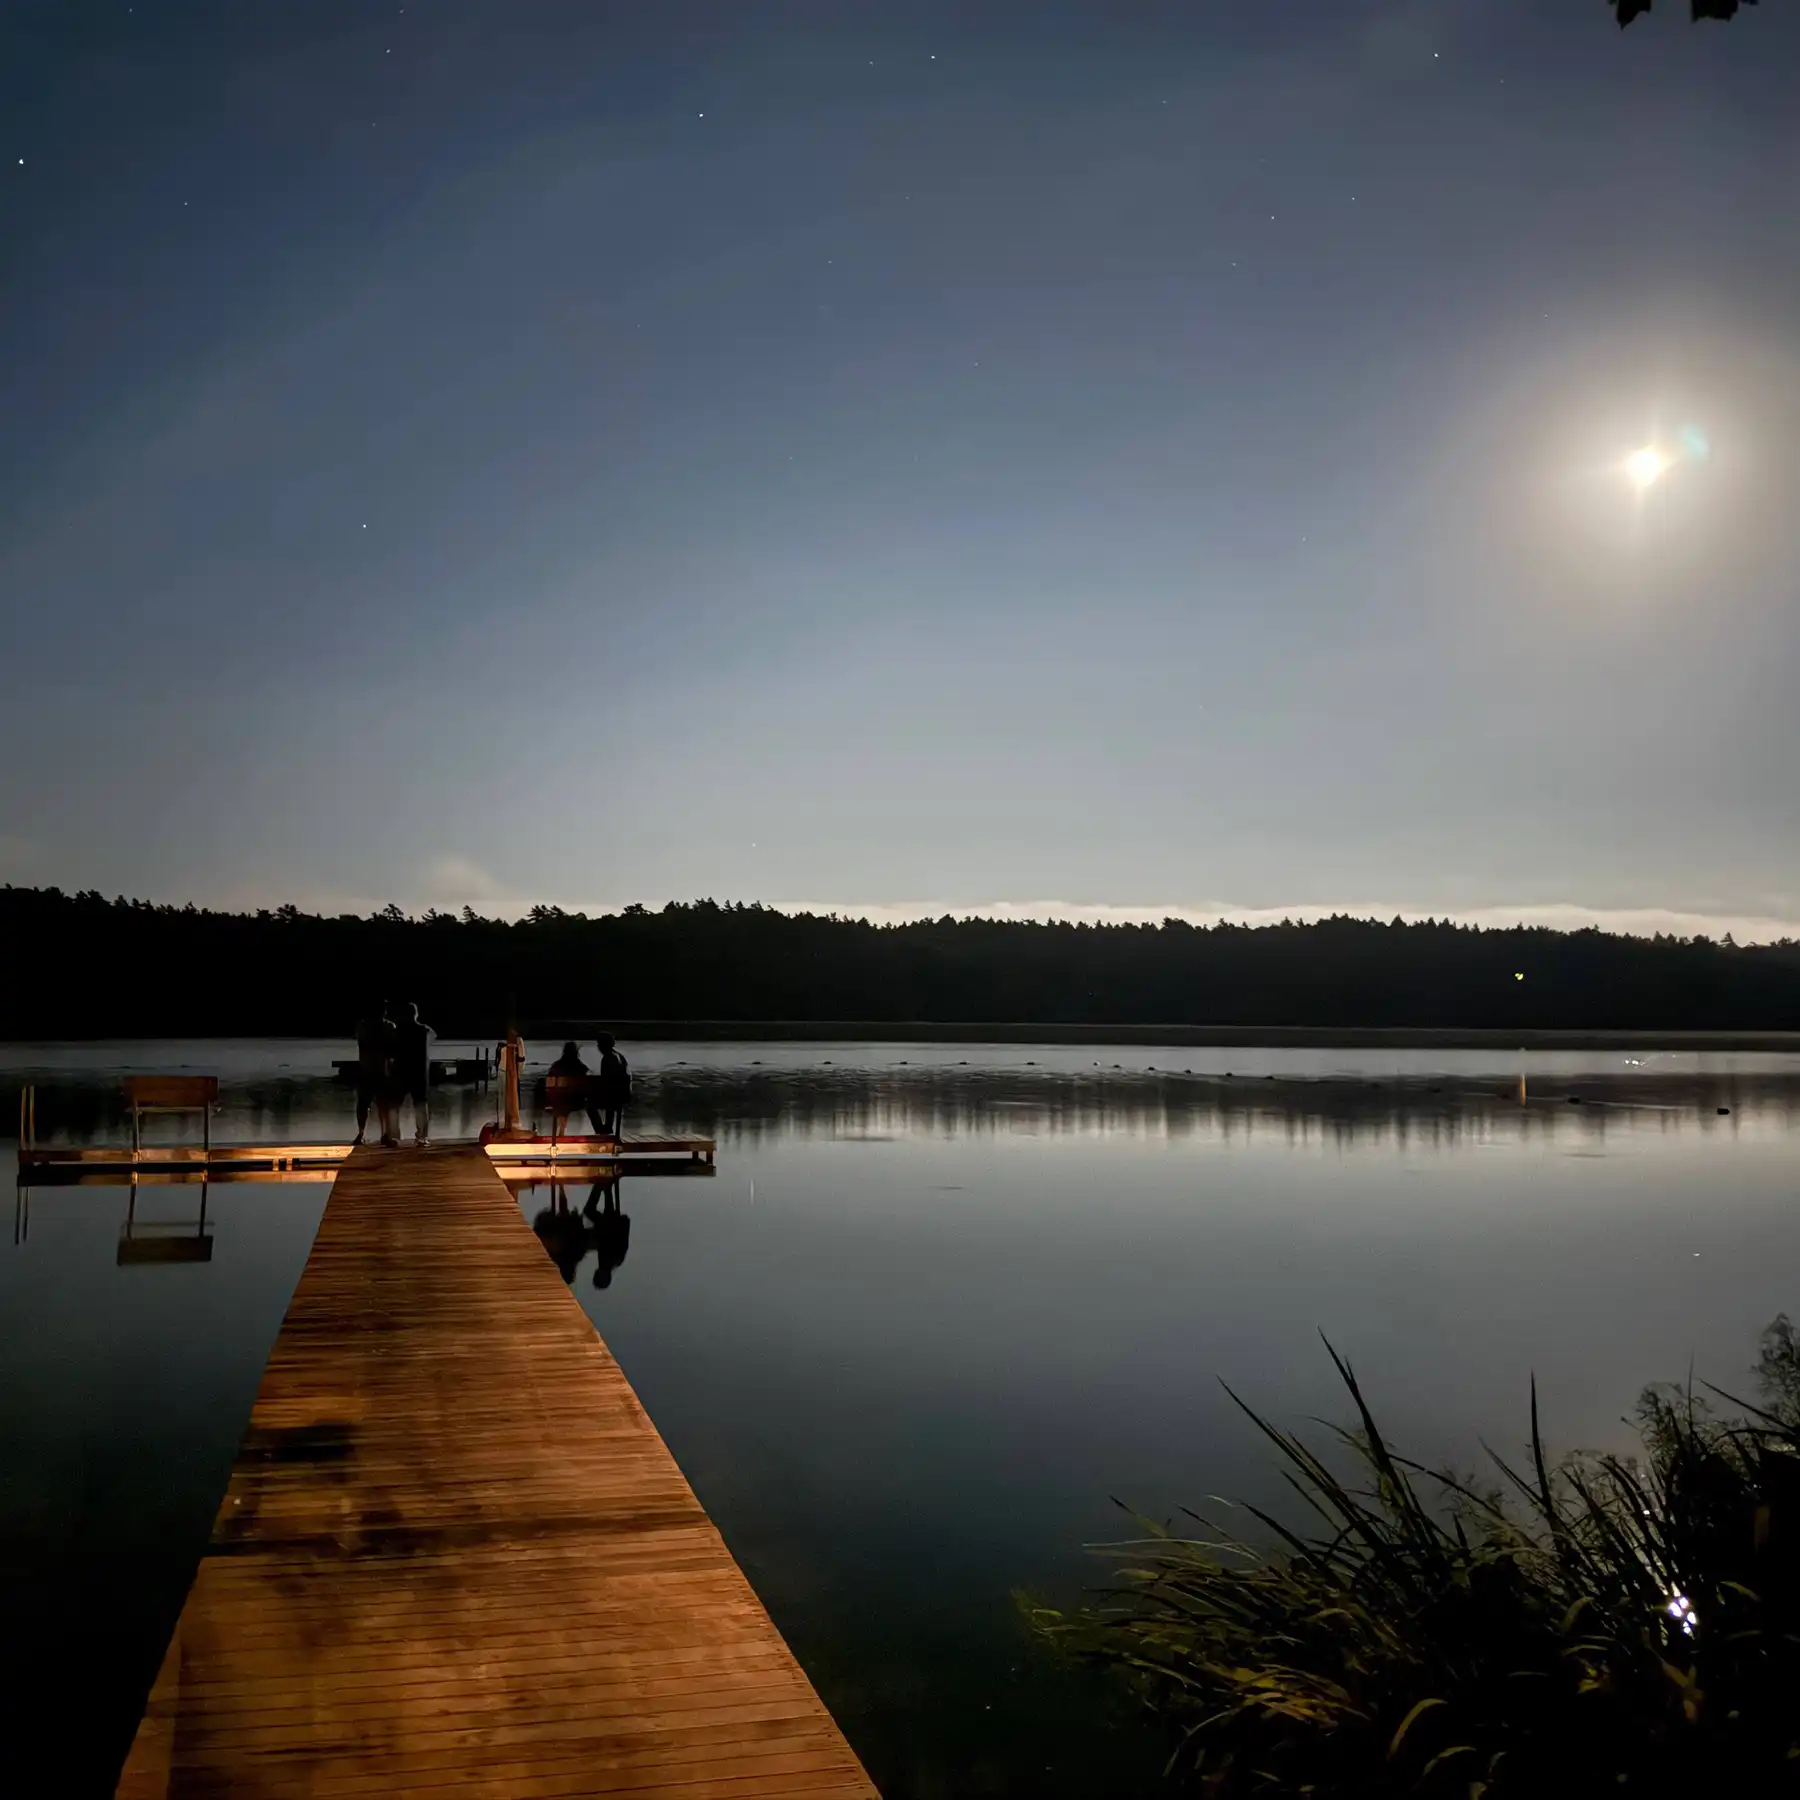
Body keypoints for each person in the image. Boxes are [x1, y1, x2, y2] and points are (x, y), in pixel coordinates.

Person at [395, 1000, 434, 1146]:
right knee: (421, 1105)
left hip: (402, 1070)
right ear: (416, 1014)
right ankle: (422, 1136)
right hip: (419, 1072)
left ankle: (395, 1136)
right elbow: (433, 1036)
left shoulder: (398, 1031)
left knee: (395, 1104)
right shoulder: (424, 1030)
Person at [350, 1003, 390, 1146]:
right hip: (381, 1070)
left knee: (363, 1105)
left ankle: (361, 1134)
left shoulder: (363, 1026)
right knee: (383, 1104)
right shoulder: (388, 1027)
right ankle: (384, 1134)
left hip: (366, 1069)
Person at [594, 1033, 631, 1139]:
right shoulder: (619, 1056)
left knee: (590, 1105)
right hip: (623, 1094)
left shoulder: (607, 1059)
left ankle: (602, 1130)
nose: (598, 1047)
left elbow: (605, 1080)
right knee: (609, 1096)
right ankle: (607, 1128)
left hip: (613, 1094)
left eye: (599, 1044)